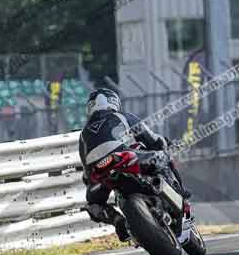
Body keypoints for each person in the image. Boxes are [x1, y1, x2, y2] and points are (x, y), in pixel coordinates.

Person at [79, 88, 190, 242]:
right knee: (163, 157)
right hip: (124, 158)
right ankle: (181, 195)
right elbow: (152, 139)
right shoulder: (122, 116)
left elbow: (86, 171)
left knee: (93, 204)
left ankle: (119, 222)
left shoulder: (83, 134)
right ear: (114, 102)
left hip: (100, 172)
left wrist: (92, 180)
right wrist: (166, 144)